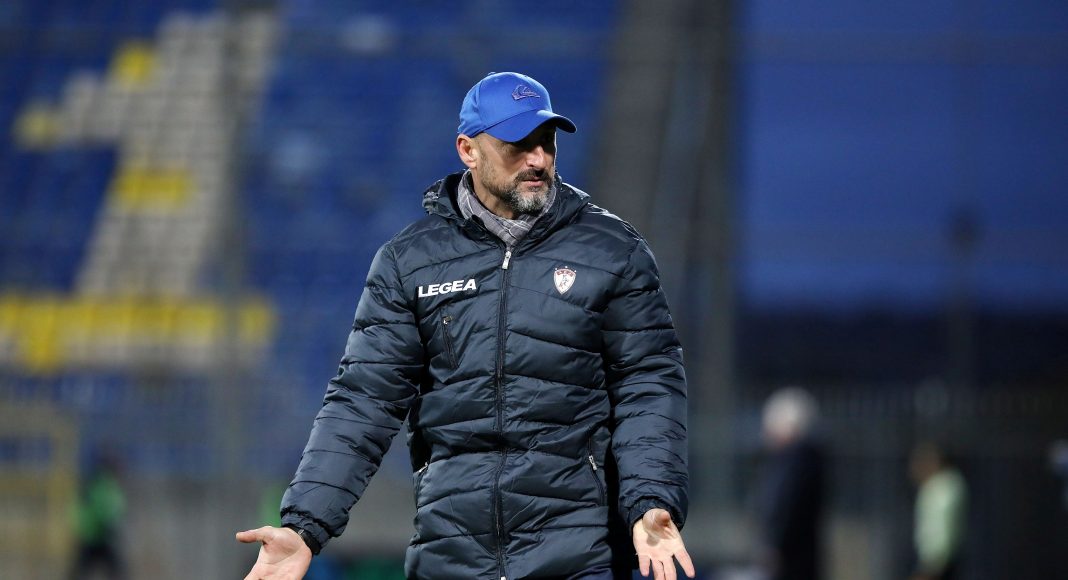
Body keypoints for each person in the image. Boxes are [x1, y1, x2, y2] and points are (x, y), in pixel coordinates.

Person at [237, 71, 694, 580]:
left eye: (546, 142)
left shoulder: (614, 251)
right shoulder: (409, 262)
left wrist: (651, 498)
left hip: (579, 556)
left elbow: (648, 383)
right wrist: (304, 525)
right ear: (467, 150)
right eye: (517, 144)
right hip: (451, 556)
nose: (538, 159)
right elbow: (364, 399)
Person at [755, 387, 825, 580]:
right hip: (801, 554)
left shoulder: (794, 461)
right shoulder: (809, 459)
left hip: (790, 556)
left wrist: (774, 543)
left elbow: (782, 505)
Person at [908, 442, 967, 580]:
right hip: (940, 562)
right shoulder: (948, 486)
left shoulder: (939, 491)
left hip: (936, 563)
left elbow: (939, 533)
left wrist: (929, 569)